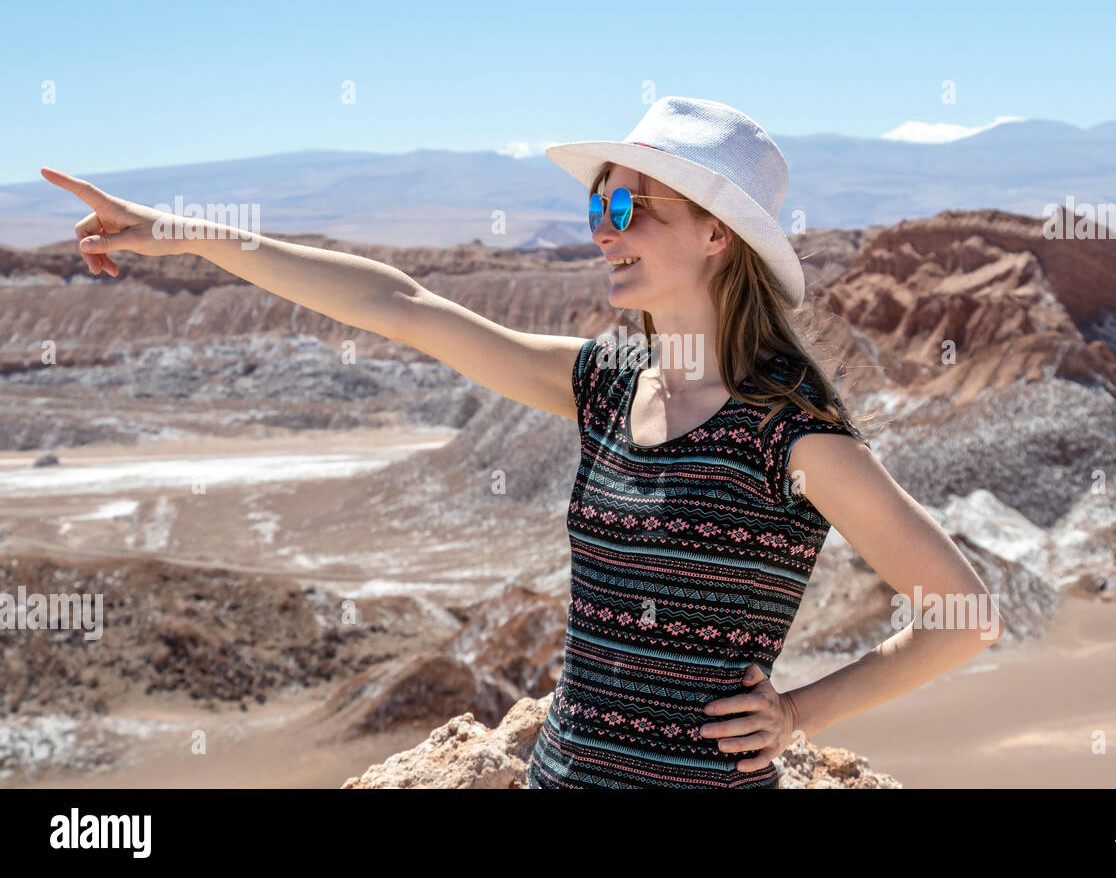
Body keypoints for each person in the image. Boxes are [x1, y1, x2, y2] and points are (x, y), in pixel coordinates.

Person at [42, 95, 1003, 790]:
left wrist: (800, 715)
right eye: (599, 206)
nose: (602, 229)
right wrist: (187, 235)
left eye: (629, 208)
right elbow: (401, 305)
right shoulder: (605, 383)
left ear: (718, 235)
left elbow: (964, 616)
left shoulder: (791, 433)